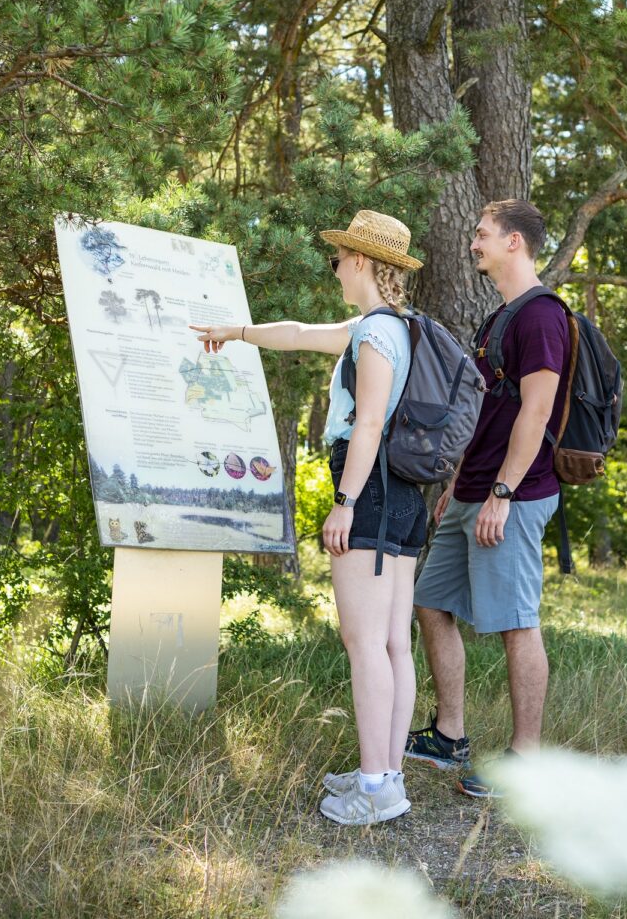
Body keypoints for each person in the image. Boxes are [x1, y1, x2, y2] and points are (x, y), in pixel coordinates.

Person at [191, 209, 426, 826]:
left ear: (364, 263)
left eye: (340, 257)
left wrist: (343, 503)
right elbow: (296, 332)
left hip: (368, 487)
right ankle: (387, 770)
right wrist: (237, 331)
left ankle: (378, 787)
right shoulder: (387, 326)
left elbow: (369, 423)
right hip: (401, 494)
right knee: (392, 642)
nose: (336, 267)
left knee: (364, 641)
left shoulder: (374, 335)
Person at [405, 198, 571, 799]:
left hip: (515, 495)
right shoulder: (498, 318)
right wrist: (457, 484)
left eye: (482, 234)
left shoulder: (542, 316)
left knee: (515, 623)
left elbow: (536, 410)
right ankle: (449, 736)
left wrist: (502, 490)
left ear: (514, 243)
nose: (473, 243)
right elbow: (485, 411)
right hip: (472, 489)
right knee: (430, 601)